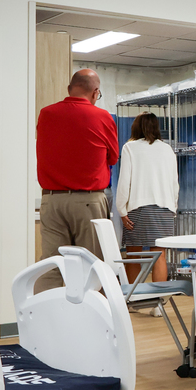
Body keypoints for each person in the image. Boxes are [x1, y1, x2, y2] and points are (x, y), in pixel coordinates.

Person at [36, 68, 119, 291]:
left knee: (51, 265)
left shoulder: (46, 114)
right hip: (88, 201)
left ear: (69, 89)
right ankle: (89, 313)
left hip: (52, 201)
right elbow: (113, 157)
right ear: (96, 92)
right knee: (92, 266)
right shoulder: (102, 117)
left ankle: (45, 312)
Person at [116, 112, 180, 286]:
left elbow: (125, 182)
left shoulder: (130, 147)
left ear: (136, 127)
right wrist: (173, 208)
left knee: (133, 255)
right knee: (160, 255)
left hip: (138, 208)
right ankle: (159, 300)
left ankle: (134, 296)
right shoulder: (168, 149)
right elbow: (174, 183)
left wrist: (121, 210)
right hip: (165, 209)